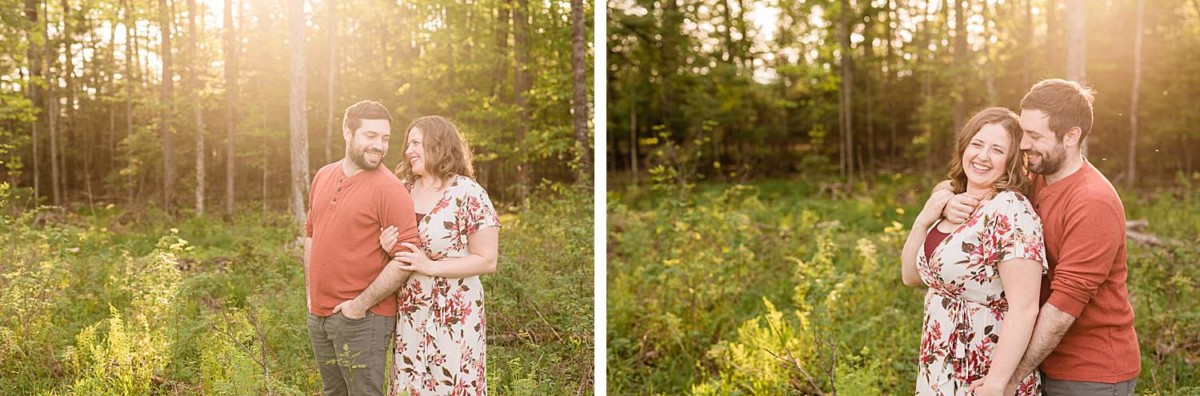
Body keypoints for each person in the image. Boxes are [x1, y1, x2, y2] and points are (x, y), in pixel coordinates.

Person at [949, 80, 1140, 396]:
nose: (1023, 144)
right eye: (1024, 132)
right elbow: (972, 178)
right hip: (1040, 361)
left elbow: (1062, 311)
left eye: (1036, 136)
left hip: (1089, 374)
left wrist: (1009, 379)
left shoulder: (1093, 202)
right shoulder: (1034, 175)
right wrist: (945, 200)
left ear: (1071, 136)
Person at [901, 107, 1047, 396]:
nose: (982, 156)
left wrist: (995, 384)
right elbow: (910, 277)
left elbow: (1025, 307)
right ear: (964, 146)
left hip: (982, 368)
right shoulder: (951, 200)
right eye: (977, 144)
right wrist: (926, 216)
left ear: (1011, 160)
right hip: (939, 364)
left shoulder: (1009, 210)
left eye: (996, 150)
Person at [304, 100, 420, 396]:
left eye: (384, 138)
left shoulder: (389, 189)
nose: (379, 146)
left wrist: (358, 306)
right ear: (347, 132)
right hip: (319, 314)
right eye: (370, 136)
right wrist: (310, 296)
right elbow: (311, 236)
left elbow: (406, 259)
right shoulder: (323, 175)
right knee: (334, 393)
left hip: (364, 318)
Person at [379, 116, 501, 396]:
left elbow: (487, 260)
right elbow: (402, 251)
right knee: (410, 385)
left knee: (451, 384)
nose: (408, 150)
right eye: (408, 144)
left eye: (416, 143)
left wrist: (430, 266)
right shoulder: (402, 190)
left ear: (438, 145)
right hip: (410, 311)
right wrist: (388, 246)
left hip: (454, 314)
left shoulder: (468, 193)